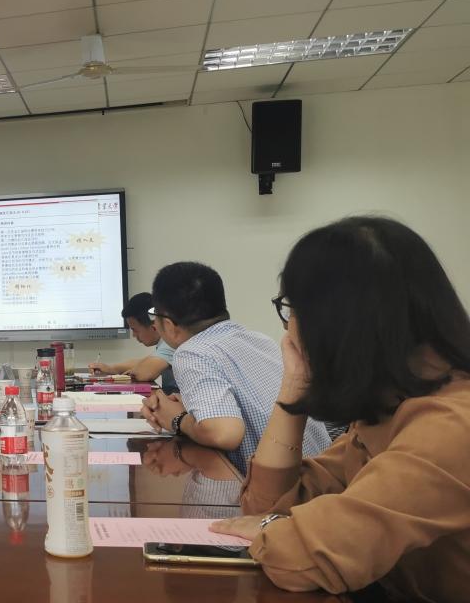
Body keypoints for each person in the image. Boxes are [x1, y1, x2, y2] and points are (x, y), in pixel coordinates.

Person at [210, 217, 470, 600]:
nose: (289, 328)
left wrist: (271, 527)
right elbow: (267, 505)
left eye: (293, 309)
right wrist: (295, 389)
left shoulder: (450, 425)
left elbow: (301, 560)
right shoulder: (390, 405)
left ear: (337, 322)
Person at [141, 261, 330, 472]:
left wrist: (176, 419)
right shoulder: (258, 339)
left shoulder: (191, 352)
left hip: (287, 485)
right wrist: (190, 408)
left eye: (154, 315)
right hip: (324, 473)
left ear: (168, 324)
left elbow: (224, 433)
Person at [89, 292, 179, 392]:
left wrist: (133, 372)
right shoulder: (165, 343)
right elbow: (142, 362)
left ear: (154, 326)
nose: (133, 335)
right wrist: (110, 368)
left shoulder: (171, 342)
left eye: (135, 330)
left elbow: (145, 372)